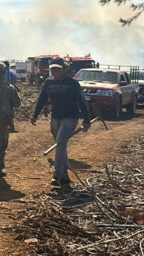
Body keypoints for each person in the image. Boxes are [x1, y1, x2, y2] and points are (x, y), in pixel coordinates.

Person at [31, 57, 91, 191]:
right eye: (52, 70)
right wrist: (35, 115)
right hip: (55, 118)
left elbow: (82, 101)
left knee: (59, 143)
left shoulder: (72, 83)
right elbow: (42, 99)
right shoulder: (48, 83)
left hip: (70, 118)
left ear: (64, 70)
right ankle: (65, 177)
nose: (54, 72)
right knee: (61, 146)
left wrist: (86, 119)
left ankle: (56, 175)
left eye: (57, 70)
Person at [3, 60, 18, 132]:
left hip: (5, 93)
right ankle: (11, 126)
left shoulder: (4, 73)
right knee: (10, 109)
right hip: (12, 92)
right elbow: (14, 82)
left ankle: (8, 126)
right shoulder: (12, 72)